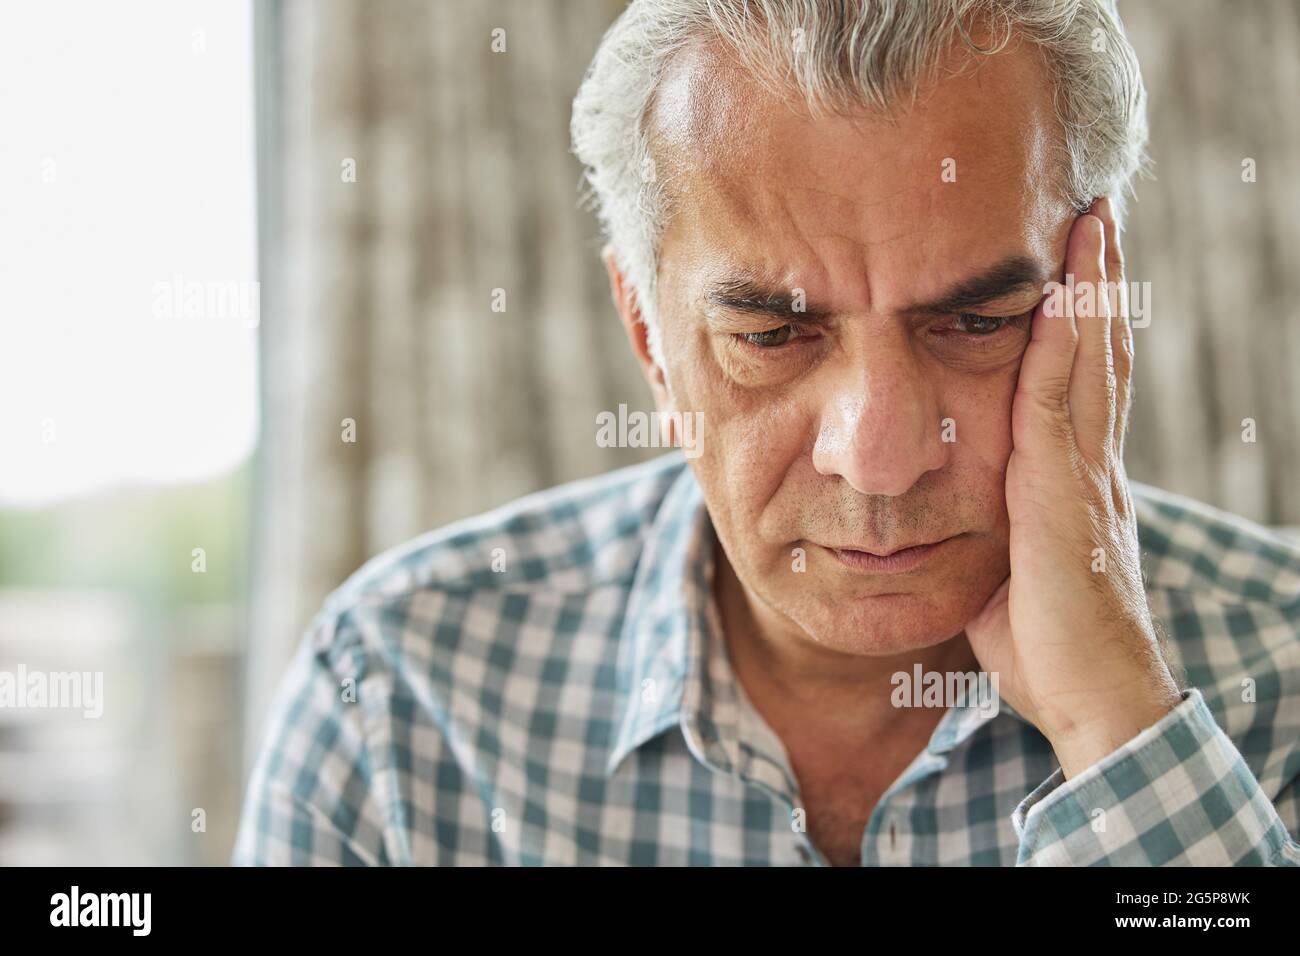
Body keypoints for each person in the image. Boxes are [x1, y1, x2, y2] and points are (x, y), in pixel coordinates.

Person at [234, 0, 1300, 866]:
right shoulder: (396, 690)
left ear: (1094, 303)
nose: (878, 456)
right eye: (773, 333)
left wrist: (1121, 724)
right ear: (647, 331)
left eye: (976, 323)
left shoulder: (1281, 668)